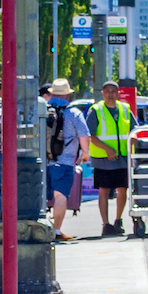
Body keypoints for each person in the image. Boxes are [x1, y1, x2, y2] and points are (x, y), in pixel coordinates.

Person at [84, 79, 133, 235]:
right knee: (104, 190)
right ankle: (106, 224)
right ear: (102, 93)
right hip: (103, 157)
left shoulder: (125, 109)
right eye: (108, 91)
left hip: (122, 157)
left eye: (114, 91)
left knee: (122, 189)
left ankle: (118, 220)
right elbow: (89, 135)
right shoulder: (96, 110)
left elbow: (134, 130)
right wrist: (107, 149)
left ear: (118, 93)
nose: (111, 94)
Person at [43, 77, 87, 241]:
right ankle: (57, 231)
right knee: (60, 196)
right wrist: (85, 152)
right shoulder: (74, 113)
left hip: (43, 162)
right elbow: (84, 135)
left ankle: (40, 227)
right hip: (65, 162)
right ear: (67, 95)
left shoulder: (43, 110)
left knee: (42, 197)